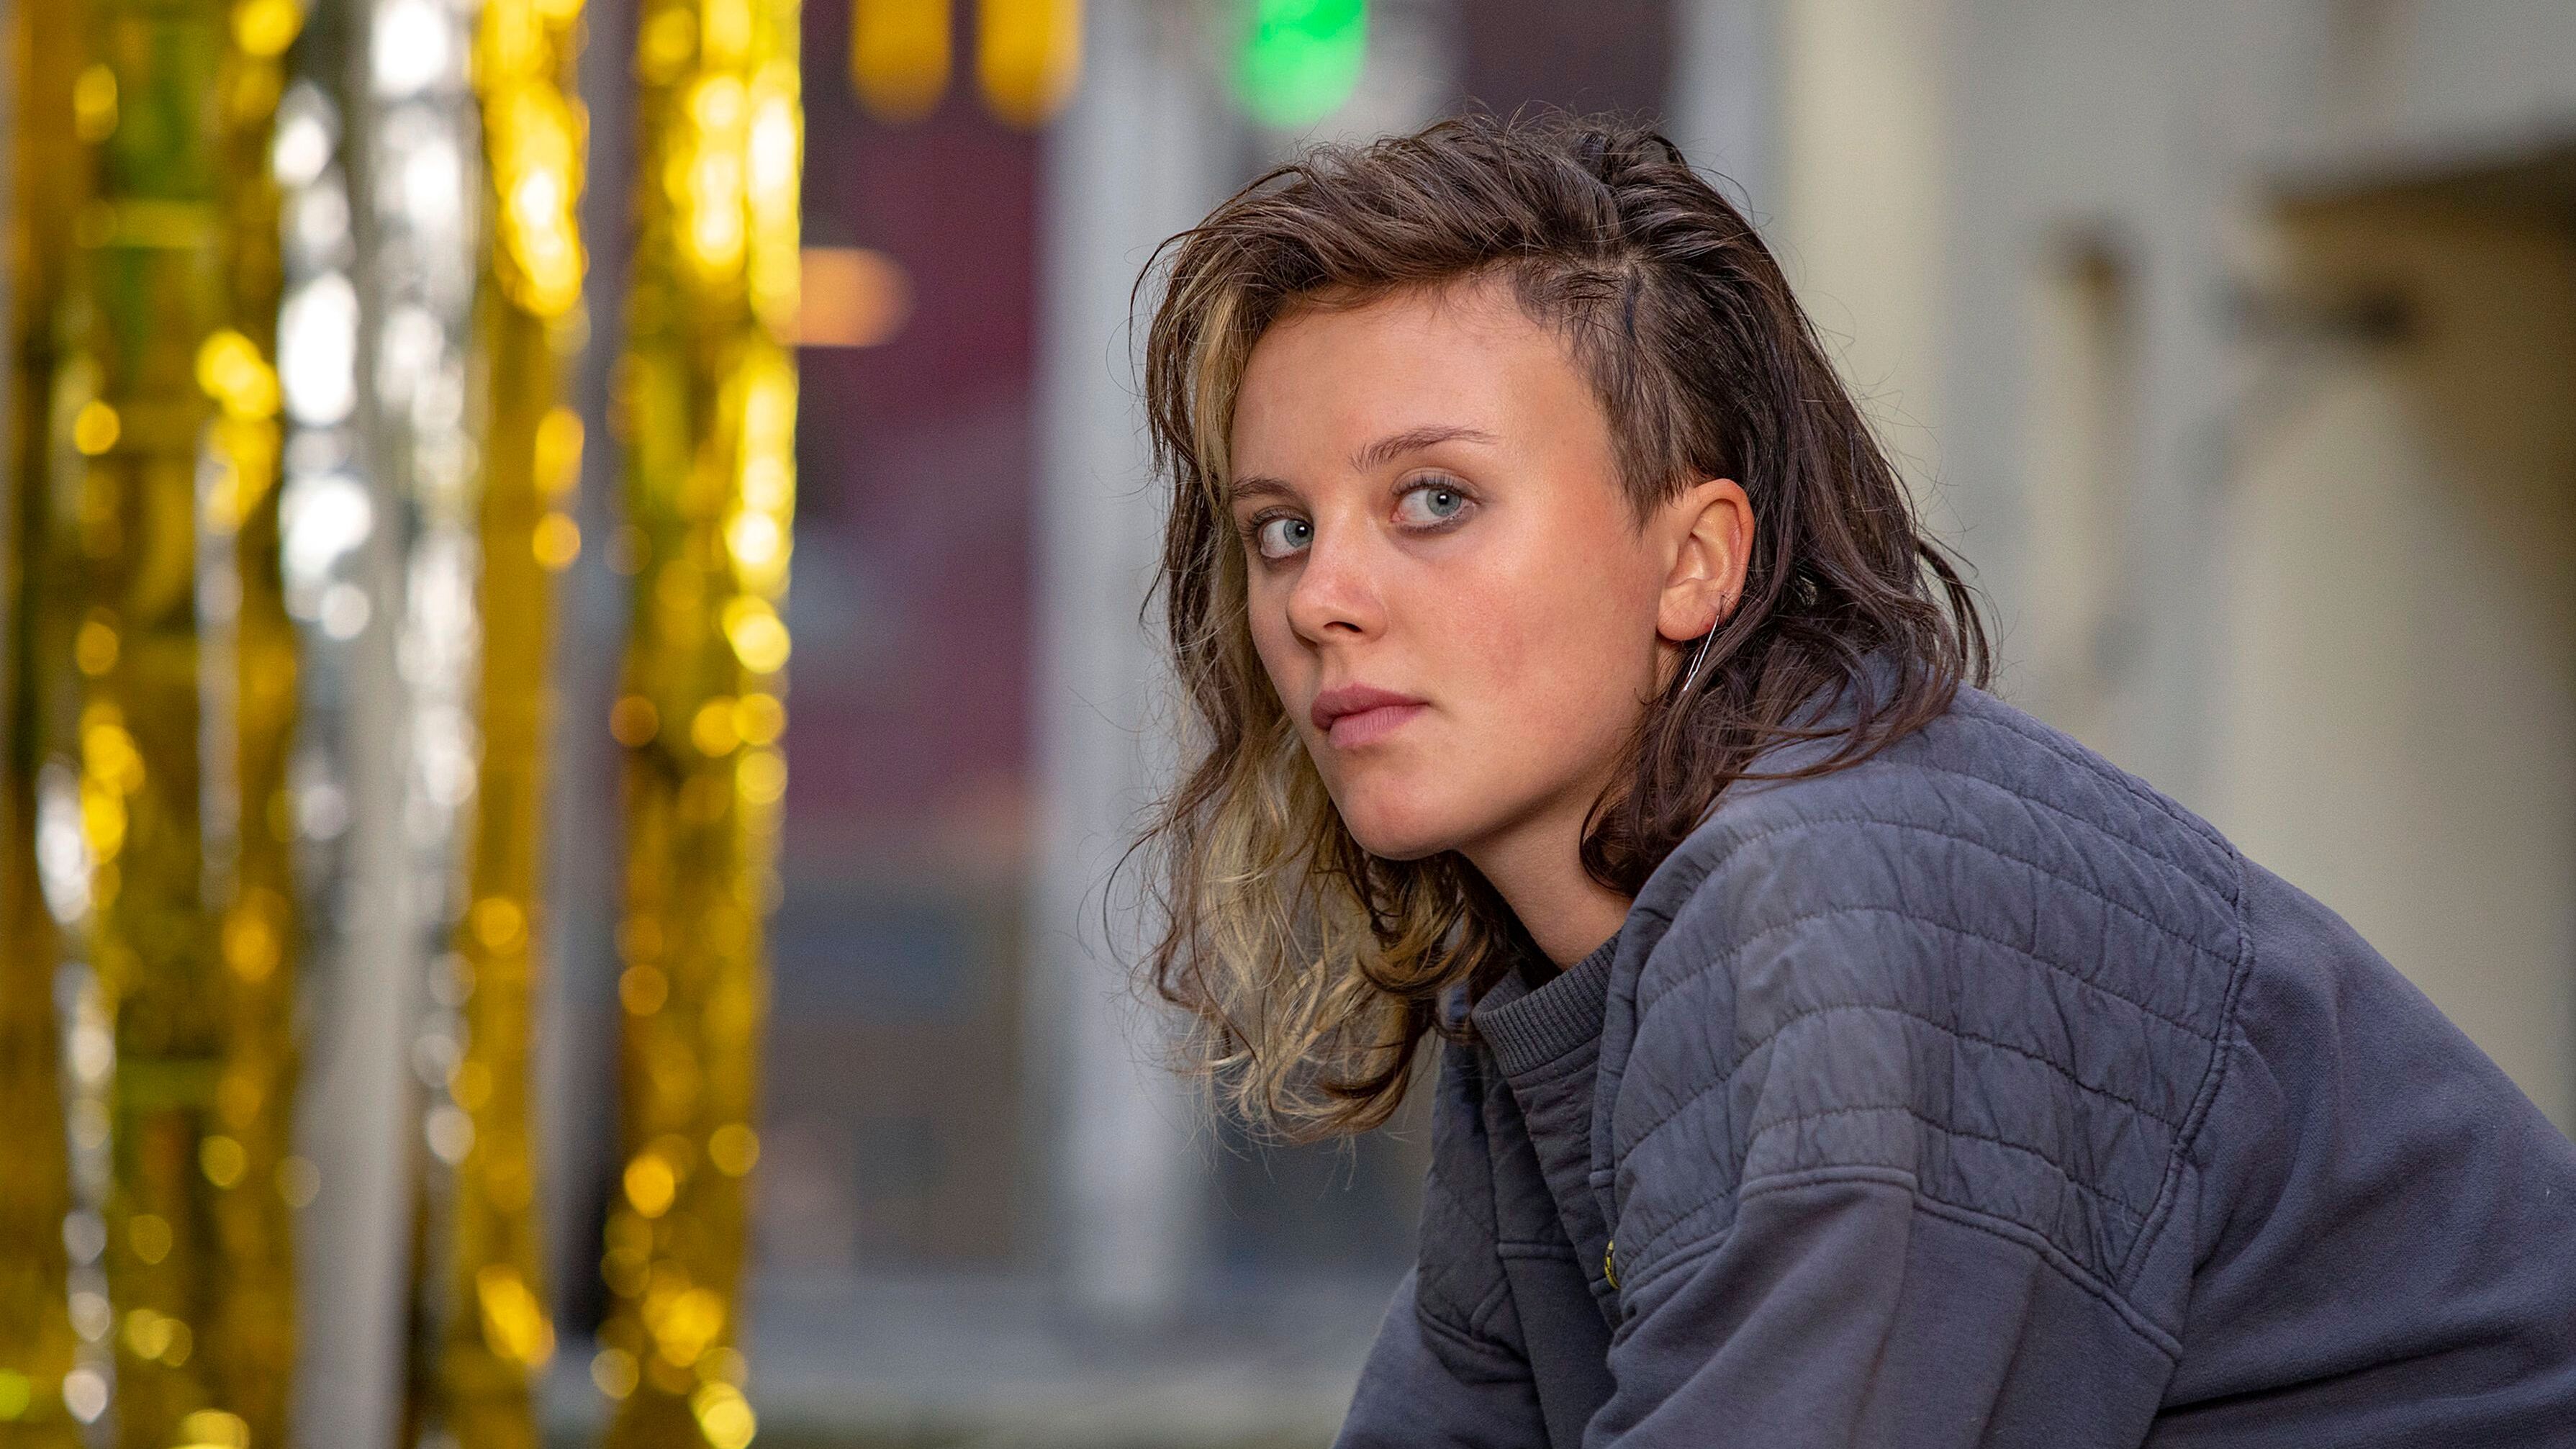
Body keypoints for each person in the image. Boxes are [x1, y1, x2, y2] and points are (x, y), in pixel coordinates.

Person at [1124, 112, 2576, 1447]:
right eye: (1280, 529)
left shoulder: (1822, 914)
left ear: (1694, 560)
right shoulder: (1558, 983)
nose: (1322, 598)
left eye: (1432, 500)